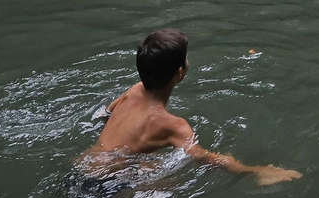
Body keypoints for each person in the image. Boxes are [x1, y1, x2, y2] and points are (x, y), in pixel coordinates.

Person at [82, 29, 300, 186]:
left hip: (83, 167)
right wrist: (256, 171)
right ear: (179, 73)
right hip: (111, 185)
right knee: (165, 186)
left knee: (150, 167)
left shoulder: (134, 90)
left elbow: (106, 115)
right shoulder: (173, 125)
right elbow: (205, 158)